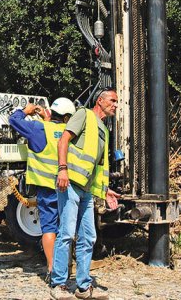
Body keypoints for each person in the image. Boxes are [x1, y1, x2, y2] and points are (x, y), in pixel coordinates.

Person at [49, 88, 118, 300]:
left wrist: (105, 191)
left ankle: (83, 287)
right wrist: (62, 169)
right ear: (100, 100)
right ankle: (58, 284)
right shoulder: (83, 115)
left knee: (88, 237)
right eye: (113, 100)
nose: (115, 105)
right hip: (69, 183)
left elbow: (97, 168)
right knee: (67, 233)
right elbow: (64, 141)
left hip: (86, 190)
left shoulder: (103, 131)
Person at [8, 97, 76, 280]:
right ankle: (67, 265)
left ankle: (52, 268)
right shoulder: (70, 132)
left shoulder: (38, 129)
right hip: (67, 186)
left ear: (51, 113)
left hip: (46, 189)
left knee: (49, 228)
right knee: (66, 227)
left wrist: (26, 110)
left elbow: (13, 120)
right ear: (67, 117)